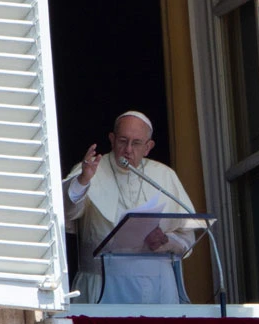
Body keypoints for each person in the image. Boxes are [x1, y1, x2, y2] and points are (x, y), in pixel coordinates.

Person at [63, 111, 196, 304]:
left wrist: (166, 241)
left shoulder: (164, 176)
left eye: (136, 143)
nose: (128, 150)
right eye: (123, 141)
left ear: (148, 147)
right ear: (112, 139)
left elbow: (187, 236)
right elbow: (66, 212)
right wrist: (83, 181)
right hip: (102, 284)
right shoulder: (90, 170)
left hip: (156, 286)